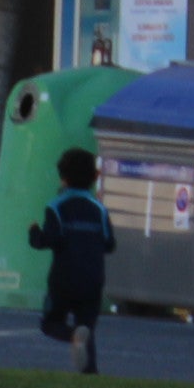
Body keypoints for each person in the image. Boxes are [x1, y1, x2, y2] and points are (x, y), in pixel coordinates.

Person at [29, 145, 117, 375]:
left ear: (62, 177)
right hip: (93, 278)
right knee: (87, 328)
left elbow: (48, 240)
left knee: (51, 323)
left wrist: (34, 232)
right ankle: (90, 374)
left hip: (64, 278)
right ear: (95, 177)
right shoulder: (99, 209)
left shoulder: (56, 207)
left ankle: (71, 335)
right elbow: (109, 244)